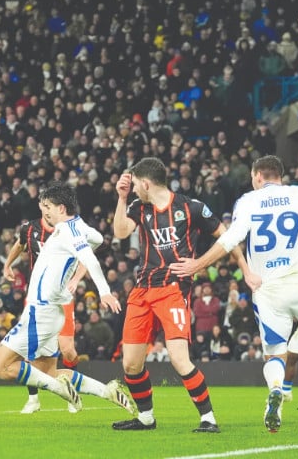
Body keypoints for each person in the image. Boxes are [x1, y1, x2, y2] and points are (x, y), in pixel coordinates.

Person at [170, 155, 298, 432]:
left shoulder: (247, 201)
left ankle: (275, 390)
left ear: (258, 176)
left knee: (274, 355)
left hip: (268, 290)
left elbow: (230, 239)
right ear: (279, 176)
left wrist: (197, 265)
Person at [113, 157, 250, 432]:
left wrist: (242, 270)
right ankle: (146, 418)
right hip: (142, 290)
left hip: (173, 289)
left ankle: (208, 418)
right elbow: (119, 231)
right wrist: (121, 197)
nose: (135, 188)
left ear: (147, 183)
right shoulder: (139, 206)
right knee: (130, 363)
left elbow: (228, 238)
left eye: (136, 184)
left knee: (178, 358)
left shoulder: (191, 207)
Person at [0, 181, 136, 417]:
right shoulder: (78, 226)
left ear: (62, 208)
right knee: (48, 373)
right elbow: (97, 238)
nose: (44, 210)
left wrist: (104, 291)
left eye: (48, 205)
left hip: (41, 312)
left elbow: (91, 259)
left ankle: (61, 390)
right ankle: (107, 391)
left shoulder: (68, 230)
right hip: (51, 311)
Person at [3, 204, 87, 414]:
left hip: (61, 296)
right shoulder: (30, 229)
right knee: (29, 349)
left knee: (67, 349)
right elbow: (20, 244)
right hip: (35, 298)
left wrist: (76, 279)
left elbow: (86, 257)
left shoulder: (70, 230)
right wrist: (7, 264)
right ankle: (33, 400)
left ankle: (71, 392)